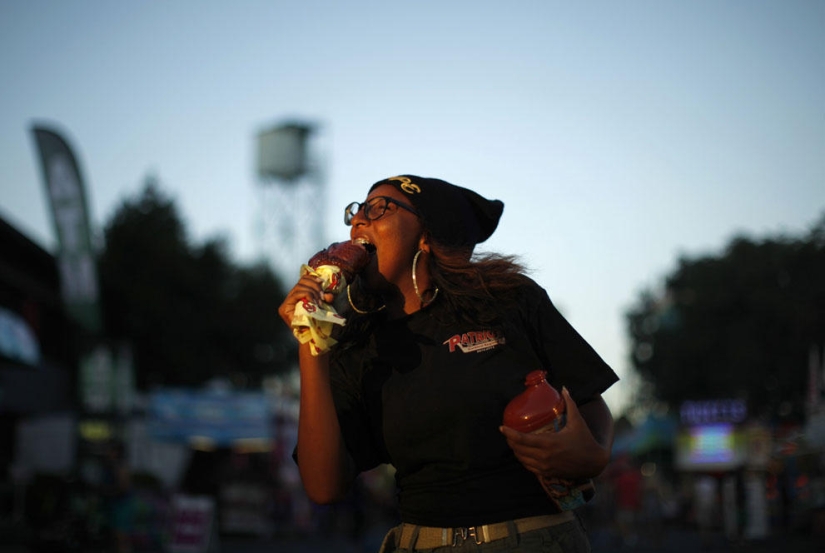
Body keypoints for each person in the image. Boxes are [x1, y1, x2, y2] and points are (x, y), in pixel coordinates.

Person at [278, 175, 619, 552]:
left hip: (535, 539)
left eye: (378, 209)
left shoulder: (508, 300)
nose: (358, 220)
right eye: (356, 212)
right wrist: (311, 342)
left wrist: (594, 455)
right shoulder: (358, 343)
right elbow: (323, 487)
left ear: (427, 235)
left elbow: (588, 399)